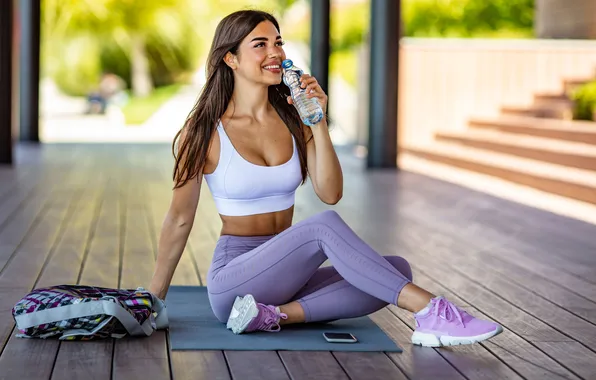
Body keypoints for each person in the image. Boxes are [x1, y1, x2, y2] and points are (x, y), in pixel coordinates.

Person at [148, 9, 503, 348]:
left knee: (394, 269)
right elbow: (179, 219)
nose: (275, 52)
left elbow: (330, 192)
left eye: (278, 42)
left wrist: (318, 123)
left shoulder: (293, 119)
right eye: (260, 44)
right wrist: (153, 300)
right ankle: (431, 311)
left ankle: (272, 316)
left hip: (287, 277)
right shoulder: (206, 132)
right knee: (324, 228)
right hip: (235, 279)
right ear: (231, 59)